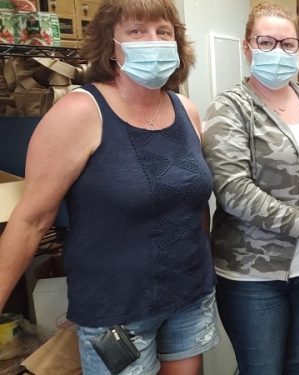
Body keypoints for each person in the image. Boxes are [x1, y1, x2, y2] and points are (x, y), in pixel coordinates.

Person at [0, 0, 219, 374]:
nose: (153, 41)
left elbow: (193, 203)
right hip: (116, 311)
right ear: (110, 45)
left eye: (163, 32)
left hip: (188, 296)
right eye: (136, 31)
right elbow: (30, 221)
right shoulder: (80, 112)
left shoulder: (187, 110)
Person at [201, 2, 299, 374]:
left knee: (297, 362)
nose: (278, 52)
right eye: (266, 42)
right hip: (252, 272)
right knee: (262, 368)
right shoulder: (231, 108)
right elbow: (233, 191)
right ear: (247, 47)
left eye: (288, 44)